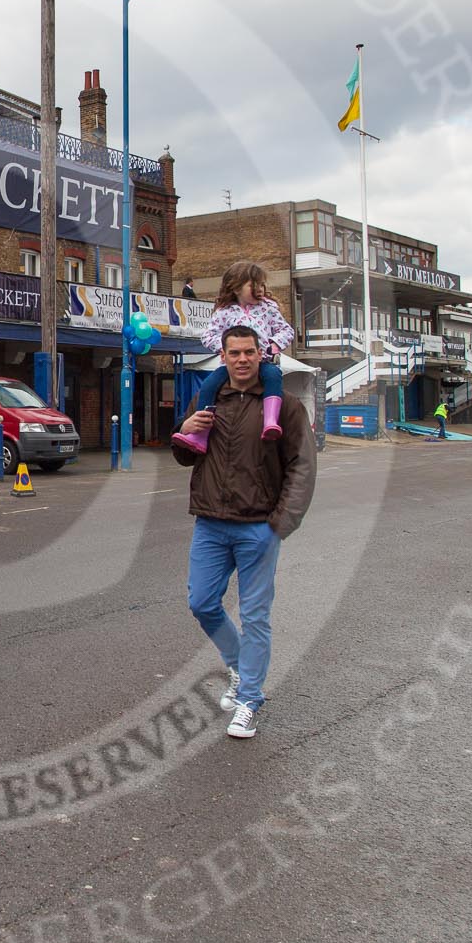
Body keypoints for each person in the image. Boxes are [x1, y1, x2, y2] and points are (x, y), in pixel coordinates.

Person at [173, 323, 316, 740]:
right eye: (233, 353)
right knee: (201, 602)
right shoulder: (209, 398)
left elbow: (302, 466)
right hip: (211, 523)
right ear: (224, 356)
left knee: (255, 616)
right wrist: (187, 429)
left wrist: (281, 522)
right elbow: (185, 456)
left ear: (260, 355)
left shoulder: (284, 406)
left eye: (248, 352)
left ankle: (249, 700)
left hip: (258, 527)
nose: (240, 359)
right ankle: (239, 666)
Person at [171, 261, 294, 454]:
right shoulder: (224, 311)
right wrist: (226, 349)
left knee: (273, 376)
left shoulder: (268, 308)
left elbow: (286, 330)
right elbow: (207, 336)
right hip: (227, 367)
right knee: (209, 385)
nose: (260, 289)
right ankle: (200, 434)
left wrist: (273, 345)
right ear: (236, 286)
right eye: (254, 285)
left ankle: (270, 421)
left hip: (263, 361)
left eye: (262, 285)